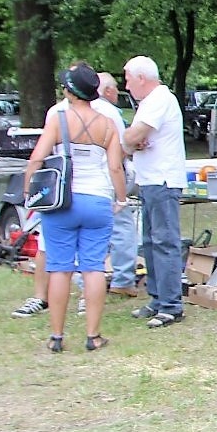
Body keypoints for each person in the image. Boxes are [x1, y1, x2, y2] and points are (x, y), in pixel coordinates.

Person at [23, 63, 128, 353]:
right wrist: (121, 198)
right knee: (94, 268)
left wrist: (28, 190)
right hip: (97, 200)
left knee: (59, 268)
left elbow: (37, 158)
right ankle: (93, 335)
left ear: (69, 91)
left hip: (62, 200)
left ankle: (57, 336)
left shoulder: (58, 120)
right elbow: (115, 167)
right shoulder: (107, 124)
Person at [122, 55, 188, 328]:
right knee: (149, 242)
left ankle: (172, 305)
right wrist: (132, 141)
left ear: (141, 78)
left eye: (127, 79)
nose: (125, 86)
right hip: (150, 180)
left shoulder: (160, 98)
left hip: (162, 181)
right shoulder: (149, 103)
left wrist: (130, 141)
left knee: (164, 242)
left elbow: (130, 137)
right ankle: (157, 299)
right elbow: (133, 139)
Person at [96, 73, 141, 296]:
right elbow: (122, 147)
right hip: (109, 176)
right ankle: (123, 279)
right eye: (115, 88)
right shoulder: (109, 112)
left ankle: (88, 277)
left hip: (85, 182)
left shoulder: (73, 110)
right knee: (122, 226)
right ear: (107, 91)